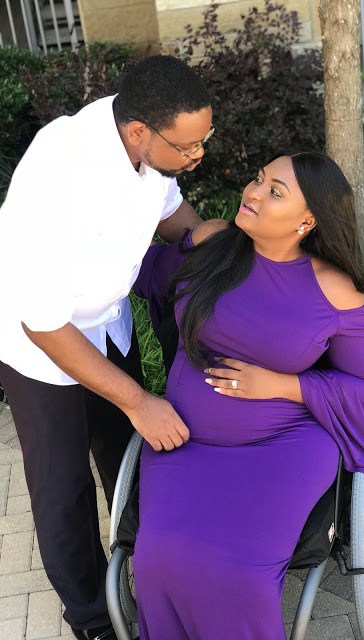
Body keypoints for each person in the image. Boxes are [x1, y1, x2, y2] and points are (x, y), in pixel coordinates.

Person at [131, 151, 364, 639]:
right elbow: (136, 270)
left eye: (275, 191)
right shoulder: (214, 245)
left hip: (281, 447)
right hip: (184, 439)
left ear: (307, 220)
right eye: (258, 179)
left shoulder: (334, 289)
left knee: (240, 575)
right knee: (156, 562)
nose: (252, 192)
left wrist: (280, 384)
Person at [0, 55, 214, 640]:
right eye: (188, 146)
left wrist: (213, 243)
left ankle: (150, 569)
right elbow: (43, 324)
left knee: (125, 455)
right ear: (140, 131)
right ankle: (94, 617)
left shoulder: (143, 138)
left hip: (107, 326)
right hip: (43, 348)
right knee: (62, 489)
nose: (198, 155)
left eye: (204, 140)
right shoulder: (60, 175)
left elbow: (171, 213)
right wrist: (139, 400)